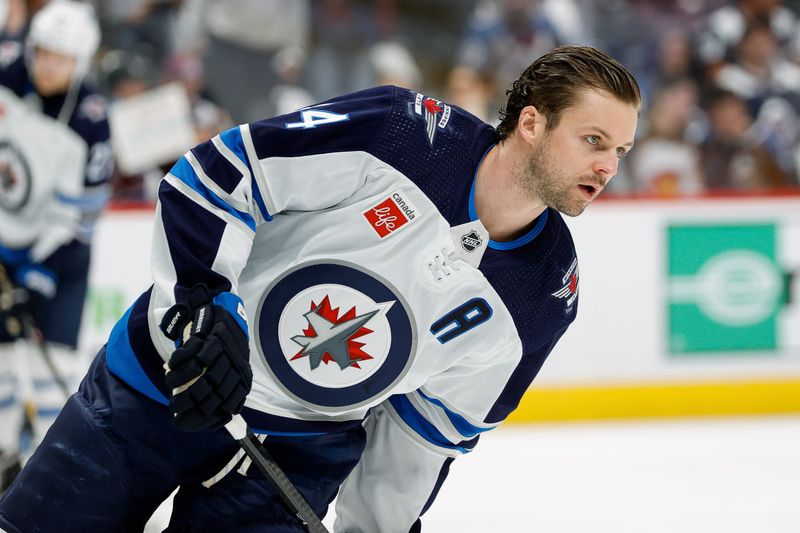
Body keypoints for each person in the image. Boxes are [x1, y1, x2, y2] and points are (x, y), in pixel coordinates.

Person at [0, 45, 640, 532]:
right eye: (593, 141)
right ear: (531, 123)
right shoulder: (399, 134)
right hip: (159, 383)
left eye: (620, 150)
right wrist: (201, 302)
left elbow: (425, 432)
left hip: (290, 461)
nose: (608, 166)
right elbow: (220, 174)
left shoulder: (542, 296)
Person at [0, 0, 112, 487]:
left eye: (63, 58)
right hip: (3, 249)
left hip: (59, 257)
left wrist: (38, 271)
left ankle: (48, 477)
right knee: (2, 362)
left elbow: (83, 219)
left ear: (81, 61)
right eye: (44, 53)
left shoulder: (91, 119)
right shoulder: (5, 78)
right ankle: (5, 458)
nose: (50, 66)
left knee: (54, 375)